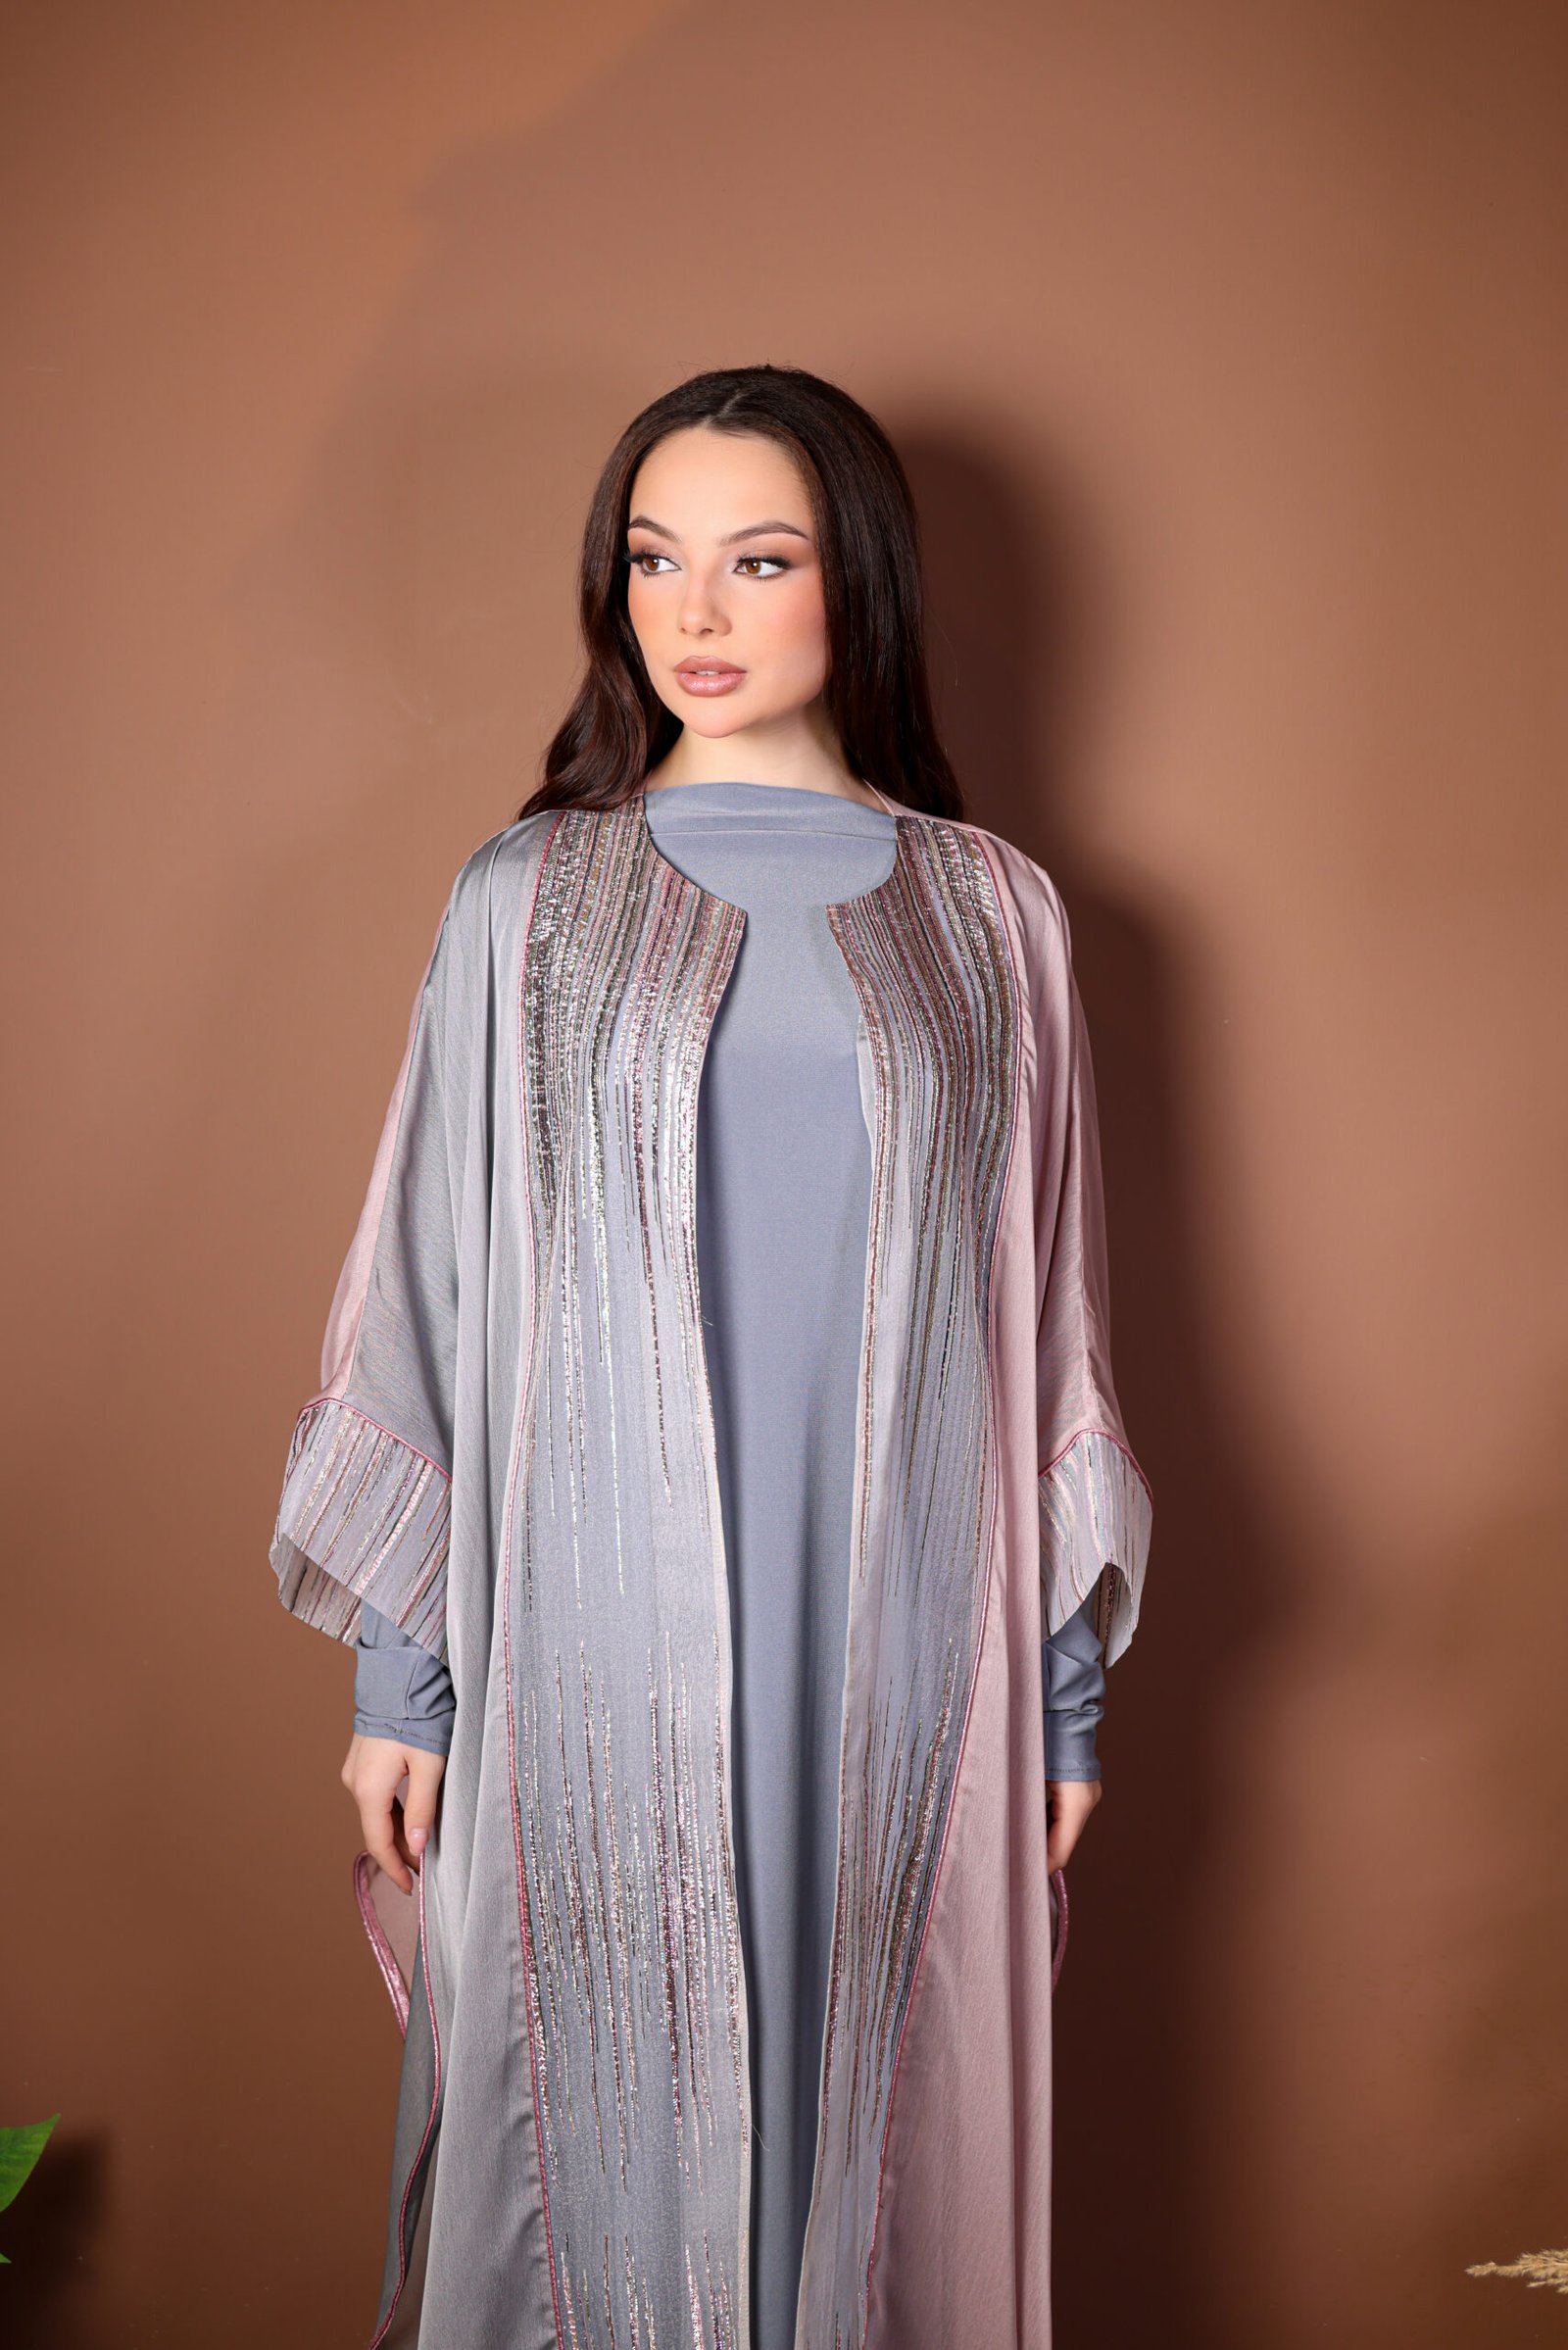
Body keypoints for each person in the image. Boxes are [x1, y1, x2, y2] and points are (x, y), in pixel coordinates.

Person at [269, 363, 1152, 2349]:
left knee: (870, 2140)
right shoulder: (525, 902)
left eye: (758, 560)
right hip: (580, 1651)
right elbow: (428, 1295)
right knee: (591, 2145)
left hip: (905, 1650)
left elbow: (1052, 1318)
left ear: (858, 581)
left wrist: (1061, 1698)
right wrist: (404, 1676)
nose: (694, 610)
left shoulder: (993, 916)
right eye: (654, 558)